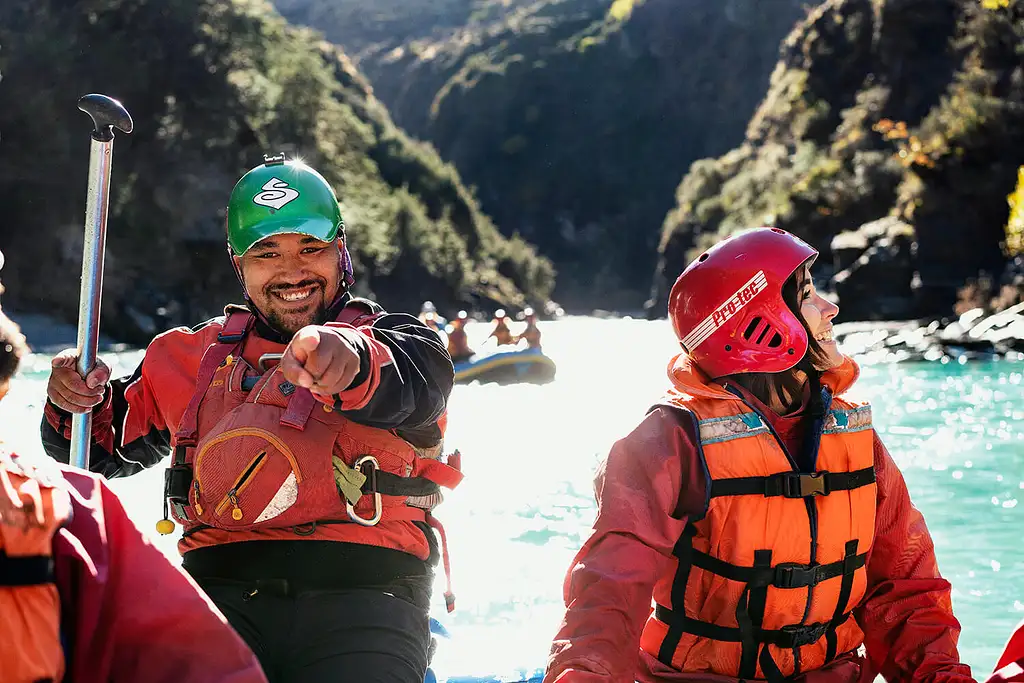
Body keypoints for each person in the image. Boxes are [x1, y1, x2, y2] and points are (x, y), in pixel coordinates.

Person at [40, 156, 463, 683]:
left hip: (371, 596)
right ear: (239, 265)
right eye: (267, 253)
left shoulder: (403, 343)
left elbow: (417, 389)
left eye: (312, 248)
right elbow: (98, 447)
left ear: (341, 253)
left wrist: (345, 359)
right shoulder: (187, 358)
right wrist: (69, 398)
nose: (292, 270)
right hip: (220, 599)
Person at [544, 227, 973, 683]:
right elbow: (607, 596)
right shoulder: (668, 441)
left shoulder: (854, 437)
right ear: (760, 322)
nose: (831, 307)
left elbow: (906, 591)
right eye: (808, 294)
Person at [0, 296, 267, 682]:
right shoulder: (68, 507)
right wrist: (74, 406)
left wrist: (83, 405)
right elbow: (100, 451)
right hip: (220, 587)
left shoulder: (67, 507)